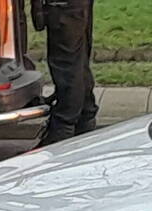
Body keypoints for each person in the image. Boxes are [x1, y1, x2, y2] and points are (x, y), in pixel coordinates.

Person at [31, 0, 99, 147]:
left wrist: (37, 9)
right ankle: (84, 117)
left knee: (67, 66)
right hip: (76, 6)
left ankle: (63, 129)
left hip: (62, 6)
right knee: (78, 61)